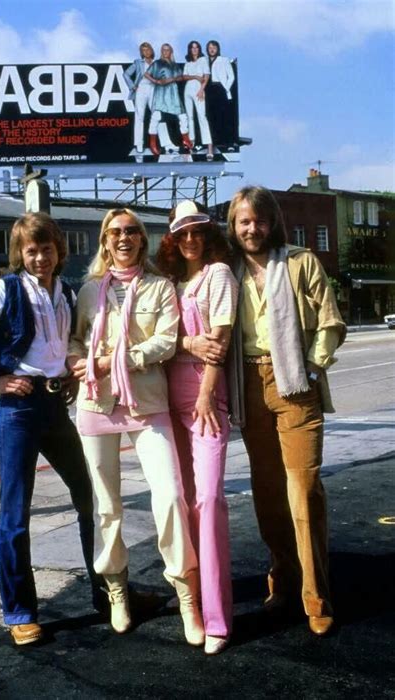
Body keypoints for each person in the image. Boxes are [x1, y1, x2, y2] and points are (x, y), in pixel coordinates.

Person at [0, 212, 103, 647]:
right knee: (15, 514)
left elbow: (62, 346)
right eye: (30, 250)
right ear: (20, 254)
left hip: (55, 407)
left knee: (90, 496)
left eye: (46, 248)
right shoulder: (4, 290)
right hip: (18, 410)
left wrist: (67, 373)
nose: (39, 257)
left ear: (58, 250)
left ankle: (106, 592)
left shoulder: (66, 291)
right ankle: (20, 613)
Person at [67, 208, 204, 645]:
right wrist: (76, 358)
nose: (123, 238)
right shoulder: (89, 291)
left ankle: (186, 595)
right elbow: (75, 337)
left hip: (146, 403)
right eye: (115, 232)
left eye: (131, 231)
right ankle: (117, 592)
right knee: (106, 506)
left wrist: (117, 360)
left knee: (170, 497)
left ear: (142, 240)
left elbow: (166, 341)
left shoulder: (161, 286)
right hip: (96, 404)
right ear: (104, 242)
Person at [226, 186, 346, 636]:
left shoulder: (300, 261)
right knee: (268, 492)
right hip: (249, 387)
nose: (251, 228)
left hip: (295, 385)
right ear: (233, 225)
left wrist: (311, 370)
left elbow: (331, 321)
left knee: (304, 490)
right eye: (242, 221)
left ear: (271, 221)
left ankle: (317, 595)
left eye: (257, 220)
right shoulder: (226, 269)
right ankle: (283, 573)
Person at [156, 200, 237, 654]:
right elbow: (167, 341)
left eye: (198, 231)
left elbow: (219, 344)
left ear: (208, 235)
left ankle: (218, 619)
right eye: (182, 232)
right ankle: (192, 601)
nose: (190, 239)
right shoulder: (170, 284)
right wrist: (186, 340)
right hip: (169, 401)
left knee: (209, 499)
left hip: (206, 400)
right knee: (182, 502)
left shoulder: (219, 275)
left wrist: (207, 394)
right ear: (173, 237)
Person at [144, 43, 193, 156]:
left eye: (167, 50)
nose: (165, 52)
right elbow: (146, 74)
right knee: (156, 117)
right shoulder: (157, 63)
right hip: (161, 92)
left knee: (182, 116)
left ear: (171, 51)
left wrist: (173, 79)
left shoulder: (174, 65)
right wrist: (157, 81)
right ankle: (153, 143)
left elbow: (181, 77)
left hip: (173, 92)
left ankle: (185, 139)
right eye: (163, 50)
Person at [123, 42, 171, 155]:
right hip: (141, 89)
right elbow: (126, 74)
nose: (146, 52)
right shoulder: (138, 62)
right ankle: (139, 144)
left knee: (158, 115)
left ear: (151, 50)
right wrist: (132, 86)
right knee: (140, 117)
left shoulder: (157, 63)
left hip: (154, 89)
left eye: (148, 49)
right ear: (141, 52)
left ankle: (165, 142)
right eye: (143, 50)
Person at [182, 41, 214, 160]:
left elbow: (206, 76)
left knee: (202, 116)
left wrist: (201, 90)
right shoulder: (188, 63)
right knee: (189, 118)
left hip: (198, 89)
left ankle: (209, 147)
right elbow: (184, 77)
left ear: (199, 49)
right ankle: (191, 146)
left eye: (196, 47)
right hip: (188, 90)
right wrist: (195, 76)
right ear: (190, 49)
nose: (194, 49)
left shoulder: (203, 60)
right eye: (192, 47)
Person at [205, 40, 236, 151]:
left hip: (220, 88)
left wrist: (225, 88)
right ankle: (214, 142)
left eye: (214, 47)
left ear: (218, 49)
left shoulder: (224, 60)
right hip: (208, 90)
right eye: (209, 47)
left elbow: (231, 76)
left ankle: (229, 142)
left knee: (224, 117)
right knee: (211, 116)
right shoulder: (204, 61)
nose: (212, 49)